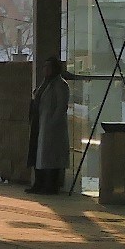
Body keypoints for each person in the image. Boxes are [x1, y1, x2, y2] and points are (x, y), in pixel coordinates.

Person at [27, 57, 70, 194]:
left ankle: (50, 185)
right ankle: (39, 183)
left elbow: (61, 106)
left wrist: (52, 123)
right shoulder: (45, 83)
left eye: (48, 67)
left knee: (50, 157)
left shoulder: (60, 85)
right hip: (40, 122)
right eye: (44, 67)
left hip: (51, 126)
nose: (45, 69)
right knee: (38, 154)